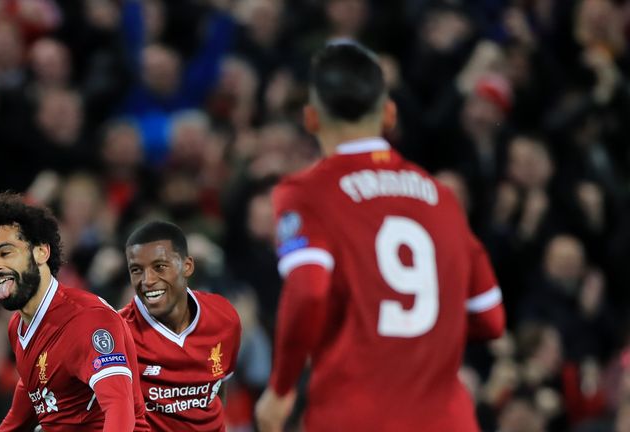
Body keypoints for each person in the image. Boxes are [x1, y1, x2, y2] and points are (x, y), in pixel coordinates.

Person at [255, 43, 506, 432]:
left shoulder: (306, 192)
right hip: (446, 420)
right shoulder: (440, 196)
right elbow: (490, 318)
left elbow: (308, 292)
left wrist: (281, 389)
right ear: (389, 114)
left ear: (311, 119)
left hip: (355, 414)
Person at [0, 192, 150, 432]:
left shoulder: (88, 320)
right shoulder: (18, 327)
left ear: (41, 252)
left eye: (5, 253)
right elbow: (26, 404)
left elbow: (119, 408)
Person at [119, 221, 241, 431]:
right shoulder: (119, 333)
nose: (147, 280)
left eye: (159, 267)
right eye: (137, 270)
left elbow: (219, 388)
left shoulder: (224, 318)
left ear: (187, 266)